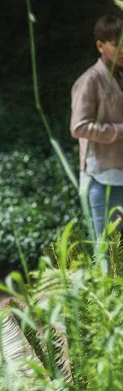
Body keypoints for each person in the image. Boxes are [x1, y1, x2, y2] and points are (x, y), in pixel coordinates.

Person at [71, 15, 123, 238]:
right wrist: (119, 131)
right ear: (100, 46)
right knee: (107, 247)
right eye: (116, 44)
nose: (122, 50)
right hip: (101, 177)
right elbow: (79, 127)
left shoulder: (119, 75)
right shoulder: (90, 80)